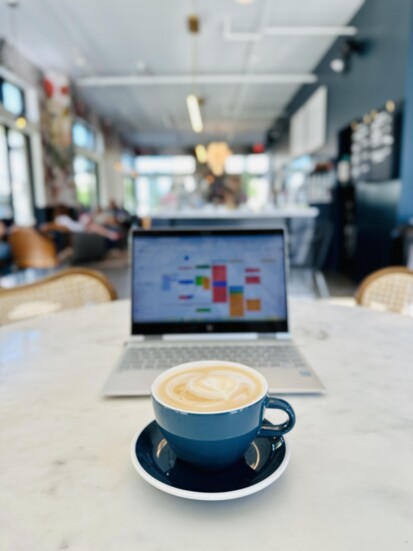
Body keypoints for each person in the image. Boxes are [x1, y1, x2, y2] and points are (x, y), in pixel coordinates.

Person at [54, 205, 121, 242]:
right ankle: (110, 234)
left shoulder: (58, 219)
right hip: (78, 229)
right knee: (95, 226)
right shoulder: (63, 218)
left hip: (77, 228)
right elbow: (72, 226)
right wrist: (83, 223)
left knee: (94, 226)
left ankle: (110, 234)